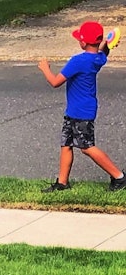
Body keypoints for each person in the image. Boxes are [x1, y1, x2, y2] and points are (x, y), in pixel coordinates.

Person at [38, 21, 126, 192]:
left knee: (86, 147)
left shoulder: (78, 61)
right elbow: (103, 51)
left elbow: (55, 82)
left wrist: (45, 69)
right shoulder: (98, 58)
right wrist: (106, 43)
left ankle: (119, 177)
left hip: (81, 111)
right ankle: (62, 183)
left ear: (83, 42)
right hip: (77, 109)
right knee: (66, 144)